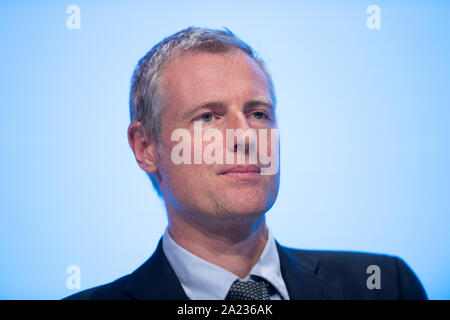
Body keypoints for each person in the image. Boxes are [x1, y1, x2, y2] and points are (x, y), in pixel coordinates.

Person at [65, 27, 427, 300]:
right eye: (208, 117)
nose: (246, 136)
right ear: (146, 147)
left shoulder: (383, 285)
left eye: (258, 113)